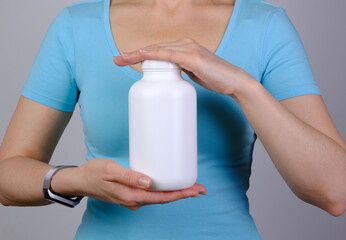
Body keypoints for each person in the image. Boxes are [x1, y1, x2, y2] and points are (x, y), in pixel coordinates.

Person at [0, 0, 345, 239]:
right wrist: (75, 180)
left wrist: (241, 85)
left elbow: (336, 191)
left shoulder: (265, 26)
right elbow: (7, 176)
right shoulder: (76, 26)